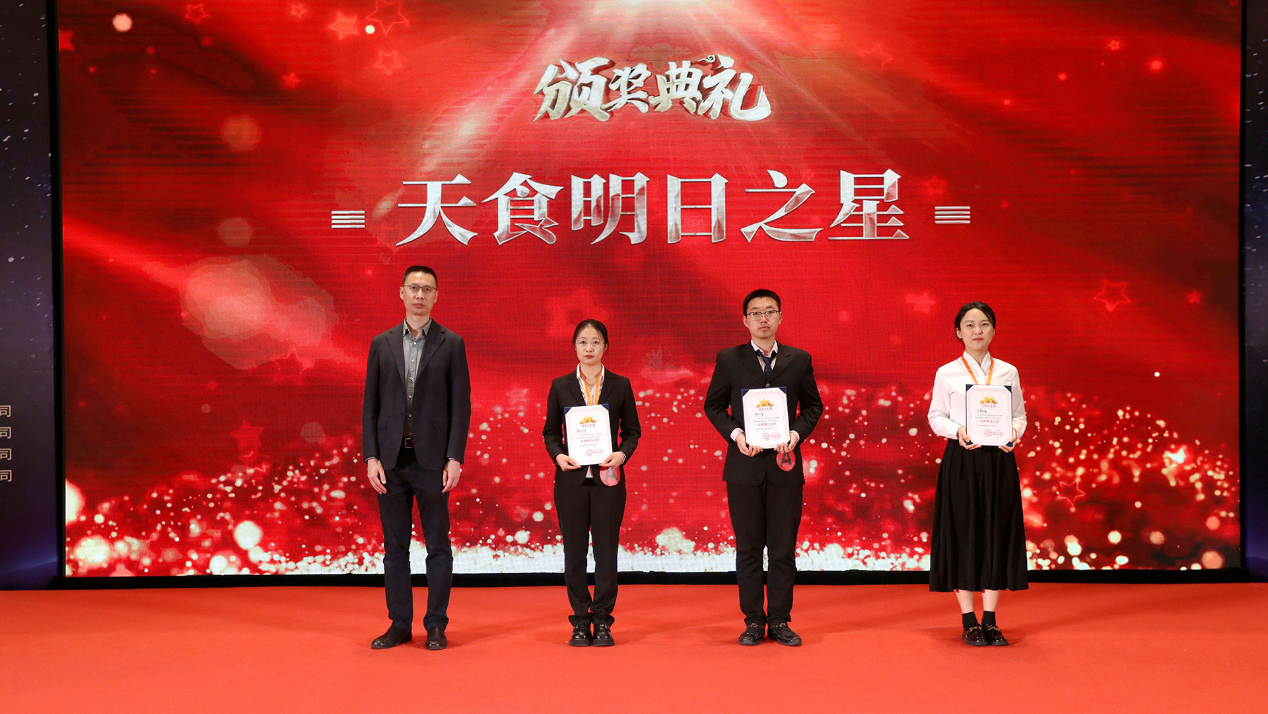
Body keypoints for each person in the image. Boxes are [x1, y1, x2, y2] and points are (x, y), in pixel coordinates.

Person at [703, 289, 824, 646]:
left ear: (780, 317)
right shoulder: (729, 359)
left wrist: (795, 435)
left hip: (785, 466)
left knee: (783, 548)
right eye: (755, 313)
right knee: (749, 548)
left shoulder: (798, 359)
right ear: (745, 320)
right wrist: (736, 434)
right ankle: (754, 621)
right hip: (744, 467)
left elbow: (813, 407)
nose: (763, 318)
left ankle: (780, 620)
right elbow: (713, 406)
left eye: (770, 311)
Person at [362, 265, 471, 651]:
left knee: (438, 546)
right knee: (395, 548)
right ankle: (399, 624)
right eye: (414, 288)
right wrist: (371, 456)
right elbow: (370, 405)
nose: (420, 295)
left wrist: (454, 457)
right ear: (402, 293)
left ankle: (436, 625)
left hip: (432, 463)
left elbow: (461, 406)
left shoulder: (451, 343)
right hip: (390, 462)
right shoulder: (382, 343)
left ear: (436, 295)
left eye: (427, 289)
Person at [927, 301, 1028, 646]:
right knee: (964, 532)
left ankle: (991, 620)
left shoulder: (1008, 372)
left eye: (984, 324)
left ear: (994, 330)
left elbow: (1019, 416)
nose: (977, 331)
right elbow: (935, 416)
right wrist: (957, 430)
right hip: (963, 460)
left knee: (996, 532)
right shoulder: (947, 373)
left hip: (999, 461)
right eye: (969, 325)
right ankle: (969, 620)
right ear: (958, 332)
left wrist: (1013, 433)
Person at [542, 319, 641, 647]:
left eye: (595, 342)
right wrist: (558, 456)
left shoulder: (620, 384)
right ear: (574, 347)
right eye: (583, 342)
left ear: (605, 347)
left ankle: (603, 621)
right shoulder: (560, 385)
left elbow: (632, 432)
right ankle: (580, 621)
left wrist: (622, 454)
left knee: (606, 552)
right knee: (574, 553)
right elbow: (550, 432)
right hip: (570, 480)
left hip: (607, 481)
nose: (588, 348)